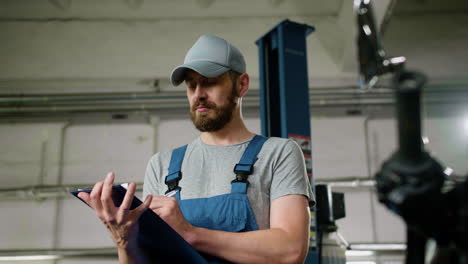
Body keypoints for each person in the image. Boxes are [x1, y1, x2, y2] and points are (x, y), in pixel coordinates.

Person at [78, 34, 314, 264]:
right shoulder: (162, 165)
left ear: (241, 84)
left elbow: (290, 250)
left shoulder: (278, 153)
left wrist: (190, 233)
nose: (198, 94)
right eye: (191, 85)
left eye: (209, 82)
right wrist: (125, 240)